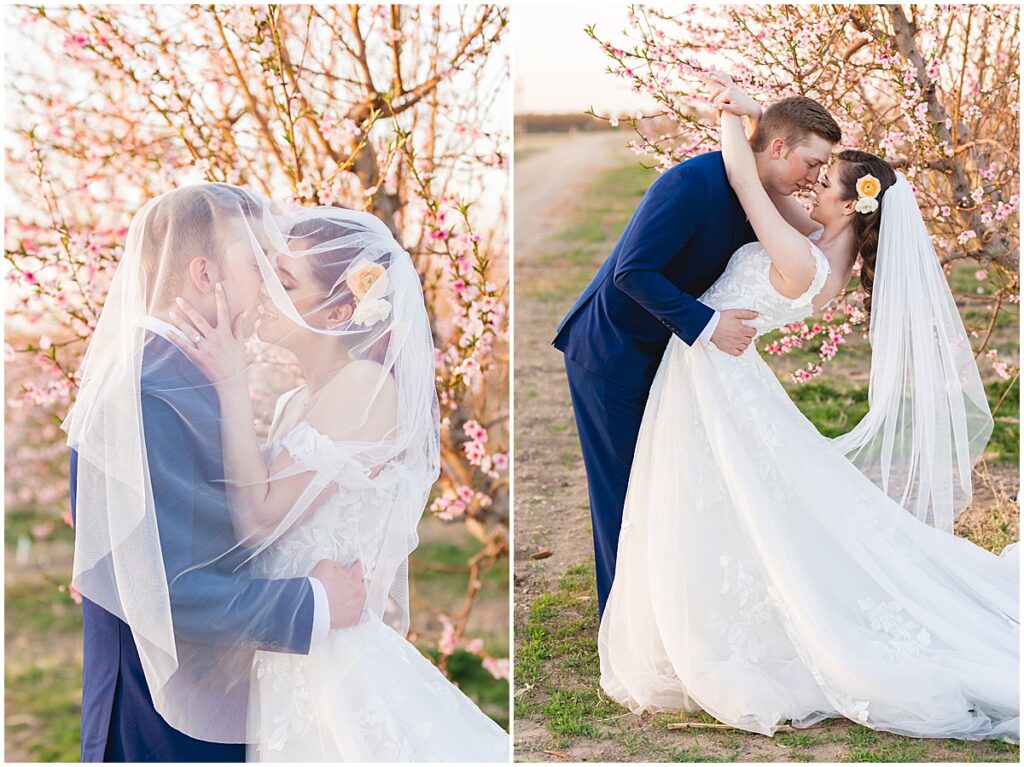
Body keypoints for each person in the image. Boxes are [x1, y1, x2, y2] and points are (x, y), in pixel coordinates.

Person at [598, 74, 1018, 741]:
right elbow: (774, 173)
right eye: (816, 173)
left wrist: (732, 112)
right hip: (716, 376)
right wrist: (766, 119)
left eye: (826, 183)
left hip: (714, 375)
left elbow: (746, 178)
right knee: (729, 504)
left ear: (852, 207)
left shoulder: (803, 256)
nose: (812, 185)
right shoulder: (824, 246)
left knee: (719, 501)